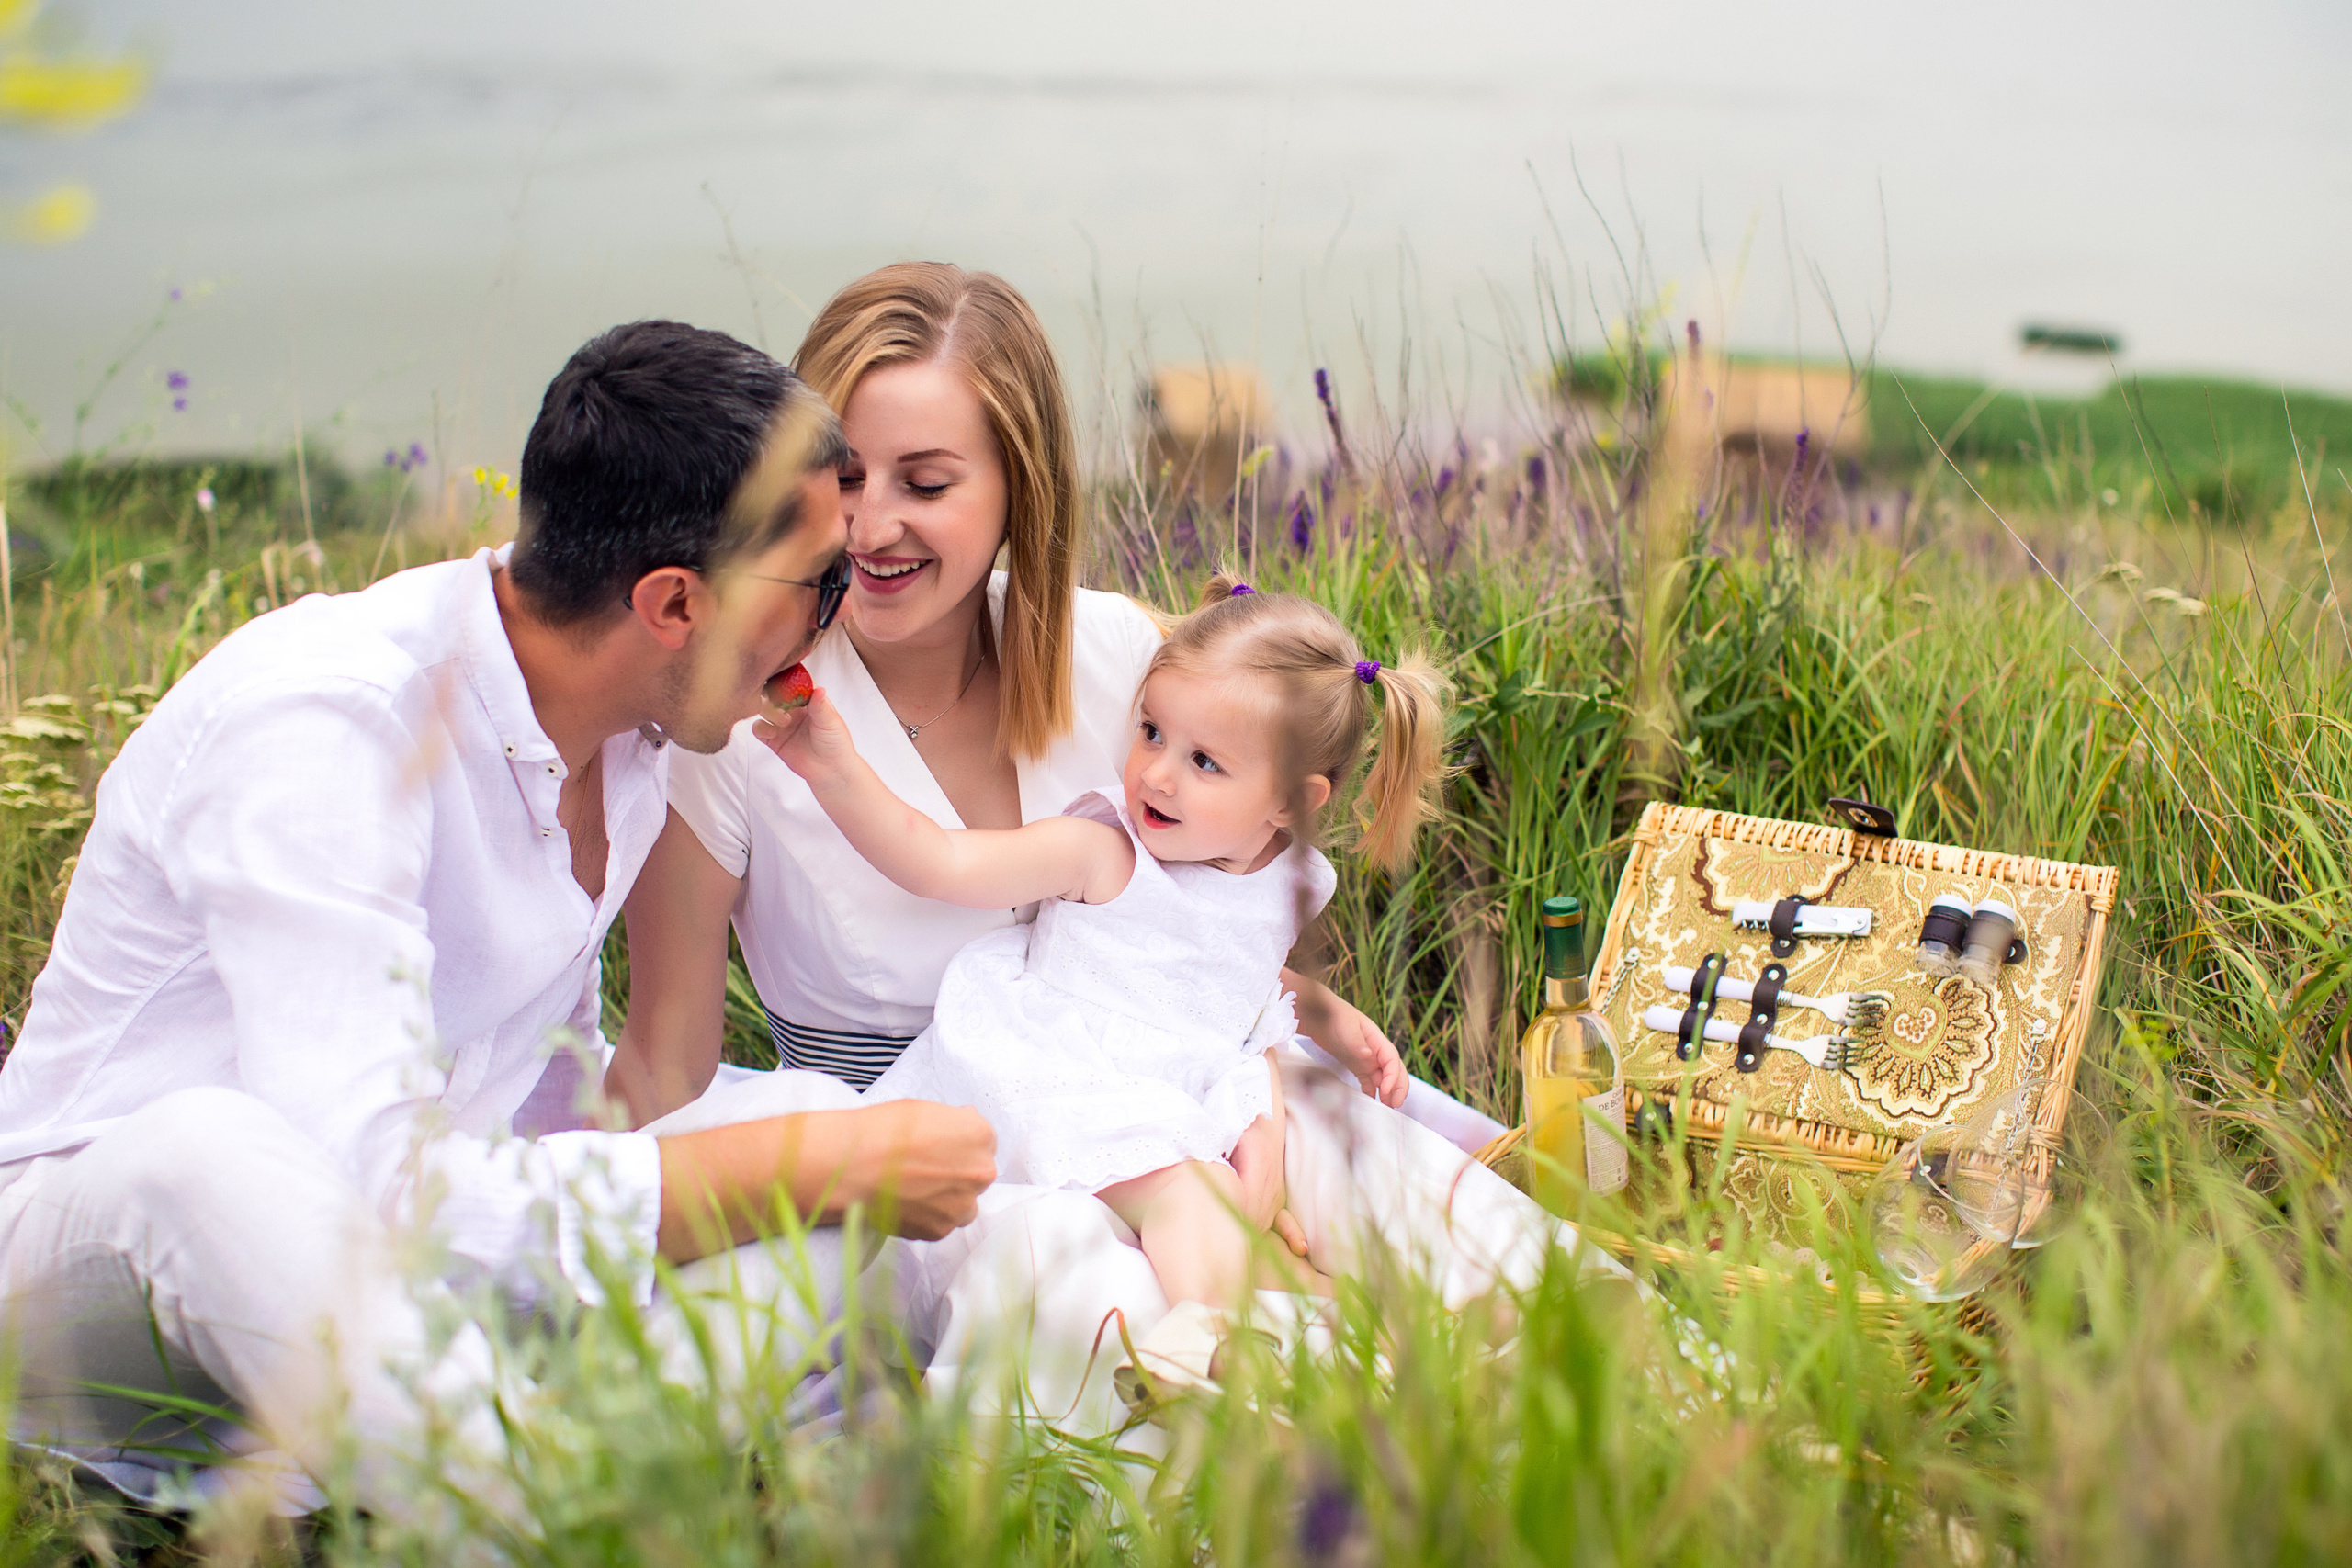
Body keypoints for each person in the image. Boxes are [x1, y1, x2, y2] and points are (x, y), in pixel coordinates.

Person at [0, 321, 995, 1517]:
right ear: (676, 602)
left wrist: (809, 1156)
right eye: (818, 584)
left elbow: (535, 1106)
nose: (832, 623)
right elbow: (363, 1188)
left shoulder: (630, 741)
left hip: (392, 1336)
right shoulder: (332, 723)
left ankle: (550, 1474)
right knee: (204, 1154)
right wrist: (775, 1173)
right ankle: (549, 1509)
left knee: (825, 1121)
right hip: (119, 1300)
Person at [612, 264, 1584, 1432]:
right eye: (846, 476)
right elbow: (664, 1063)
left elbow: (1182, 926)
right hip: (930, 1169)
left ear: (1018, 487)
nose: (871, 526)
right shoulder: (747, 718)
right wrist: (571, 1251)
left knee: (1403, 1202)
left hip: (1155, 1098)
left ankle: (1526, 1403)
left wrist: (1283, 1044)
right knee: (1096, 1291)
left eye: (927, 481)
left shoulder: (1117, 659)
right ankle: (1328, 1419)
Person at [765, 574, 1445, 1317]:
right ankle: (1214, 1344)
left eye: (1204, 761)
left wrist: (1329, 1017)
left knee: (1276, 1221)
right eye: (1151, 731)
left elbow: (1232, 972)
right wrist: (835, 769)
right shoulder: (1104, 852)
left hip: (1170, 1090)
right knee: (1198, 1193)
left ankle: (1358, 1324)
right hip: (1060, 1079)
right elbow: (941, 860)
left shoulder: (1282, 879)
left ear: (1289, 800)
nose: (1157, 773)